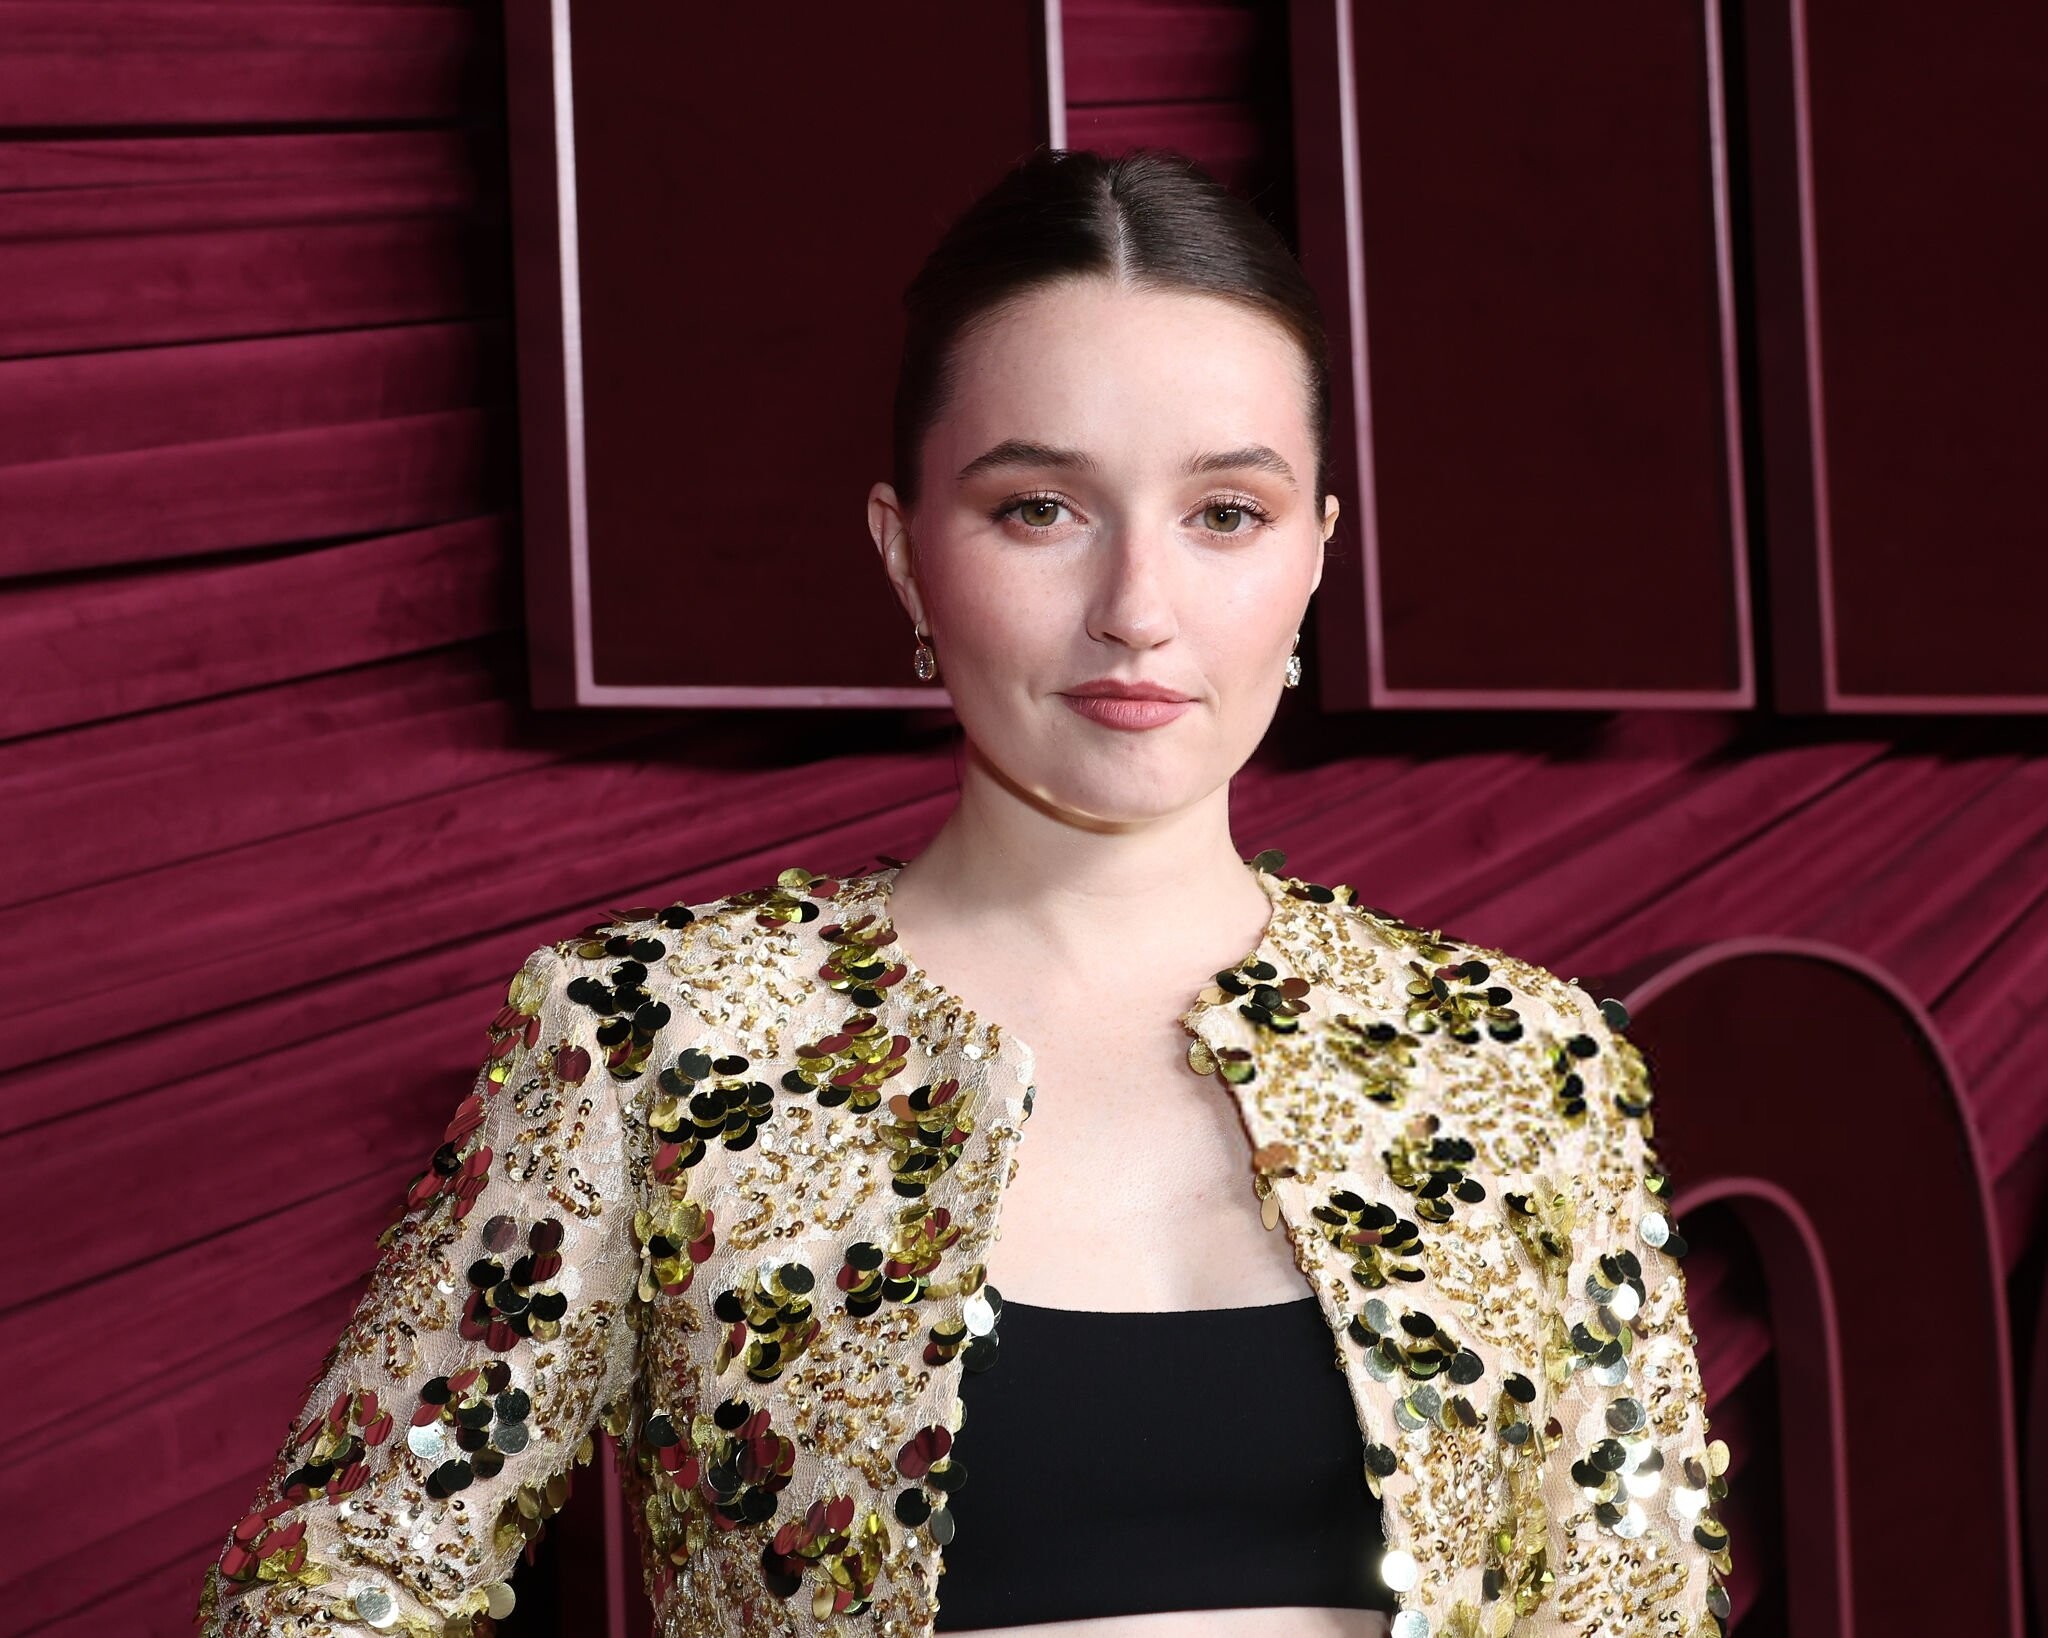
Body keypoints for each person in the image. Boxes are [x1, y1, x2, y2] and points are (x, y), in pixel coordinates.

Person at [195, 147, 1732, 1638]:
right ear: (905, 551)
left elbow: (1637, 1612)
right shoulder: (654, 1039)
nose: (1136, 609)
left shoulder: (1527, 1063)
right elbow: (324, 1589)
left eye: (1225, 513)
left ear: (1318, 554)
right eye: (1040, 508)